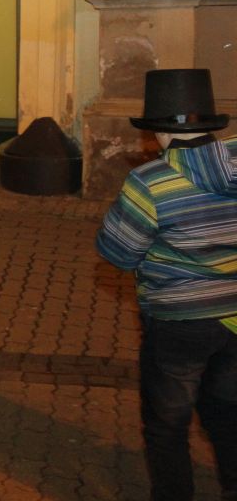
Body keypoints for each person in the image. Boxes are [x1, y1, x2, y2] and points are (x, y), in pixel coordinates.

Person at [96, 69, 237, 500]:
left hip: (179, 322)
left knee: (168, 424)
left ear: (157, 131)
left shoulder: (150, 182)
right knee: (228, 414)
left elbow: (119, 253)